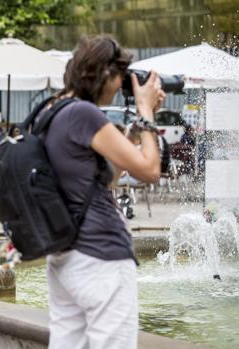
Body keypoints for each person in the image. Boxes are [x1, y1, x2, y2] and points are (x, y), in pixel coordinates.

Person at [39, 36, 164, 349]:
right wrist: (146, 110)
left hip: (64, 256)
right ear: (104, 74)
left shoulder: (50, 113)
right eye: (120, 76)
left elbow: (104, 176)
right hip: (101, 256)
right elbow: (149, 171)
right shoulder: (84, 114)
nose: (121, 84)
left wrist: (133, 133)